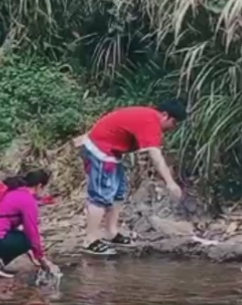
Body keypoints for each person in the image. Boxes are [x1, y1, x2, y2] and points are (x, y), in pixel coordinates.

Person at [76, 100, 188, 257]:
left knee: (118, 193)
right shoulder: (150, 121)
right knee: (100, 195)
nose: (173, 127)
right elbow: (155, 156)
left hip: (114, 152)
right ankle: (90, 240)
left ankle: (111, 232)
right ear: (164, 115)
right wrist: (170, 183)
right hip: (100, 150)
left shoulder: (149, 118)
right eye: (173, 122)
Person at [0, 169, 60, 279]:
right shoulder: (27, 200)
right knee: (26, 238)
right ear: (40, 186)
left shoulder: (8, 190)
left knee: (6, 232)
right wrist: (41, 259)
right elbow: (32, 233)